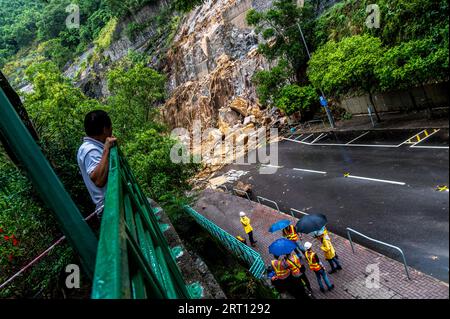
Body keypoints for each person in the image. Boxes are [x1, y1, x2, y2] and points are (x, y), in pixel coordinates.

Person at [77, 110, 117, 216]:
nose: (112, 131)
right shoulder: (90, 150)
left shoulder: (93, 146)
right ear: (105, 129)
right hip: (109, 208)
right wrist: (106, 150)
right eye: (110, 128)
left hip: (112, 205)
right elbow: (99, 180)